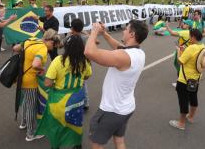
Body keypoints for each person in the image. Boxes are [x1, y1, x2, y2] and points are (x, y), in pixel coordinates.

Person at [84, 20, 148, 149]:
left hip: (111, 110)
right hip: (125, 108)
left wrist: (94, 32)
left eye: (126, 29)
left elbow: (89, 52)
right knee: (119, 141)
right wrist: (105, 33)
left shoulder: (123, 56)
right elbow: (120, 48)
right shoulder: (139, 53)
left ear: (132, 34)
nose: (123, 30)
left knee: (96, 144)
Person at [38, 34, 92, 149]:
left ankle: (57, 145)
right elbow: (87, 76)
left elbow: (48, 83)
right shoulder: (85, 61)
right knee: (75, 123)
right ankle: (77, 144)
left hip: (60, 100)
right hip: (77, 98)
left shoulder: (58, 61)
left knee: (57, 125)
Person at [13, 29, 59, 142]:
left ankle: (23, 123)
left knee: (25, 101)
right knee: (31, 107)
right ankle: (31, 133)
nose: (53, 49)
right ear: (51, 41)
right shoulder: (42, 48)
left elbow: (15, 48)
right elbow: (35, 64)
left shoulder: (32, 40)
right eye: (54, 46)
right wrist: (42, 68)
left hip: (20, 77)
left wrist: (26, 57)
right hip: (30, 81)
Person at [169, 29, 205, 130]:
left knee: (183, 100)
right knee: (193, 97)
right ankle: (191, 117)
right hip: (195, 79)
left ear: (193, 37)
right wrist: (183, 51)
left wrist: (179, 51)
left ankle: (181, 123)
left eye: (190, 37)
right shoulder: (203, 47)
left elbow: (180, 61)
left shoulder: (191, 48)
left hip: (184, 79)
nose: (189, 39)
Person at [59, 18, 92, 110]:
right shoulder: (86, 38)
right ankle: (85, 103)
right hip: (83, 63)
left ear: (72, 28)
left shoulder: (68, 38)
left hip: (69, 63)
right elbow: (95, 42)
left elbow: (60, 45)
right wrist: (85, 33)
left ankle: (70, 102)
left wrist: (69, 34)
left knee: (69, 82)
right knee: (82, 83)